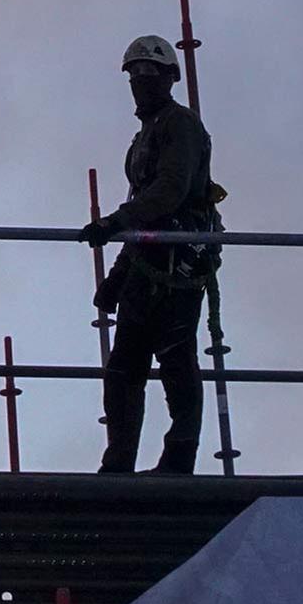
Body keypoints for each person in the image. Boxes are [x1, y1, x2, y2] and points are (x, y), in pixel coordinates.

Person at [78, 36, 223, 474]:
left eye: (148, 72)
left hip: (180, 262)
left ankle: (179, 458)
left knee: (177, 360)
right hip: (147, 264)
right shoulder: (143, 137)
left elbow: (170, 189)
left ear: (170, 77)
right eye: (133, 74)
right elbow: (145, 201)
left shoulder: (182, 126)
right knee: (124, 369)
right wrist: (119, 276)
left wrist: (114, 222)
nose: (140, 82)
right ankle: (119, 459)